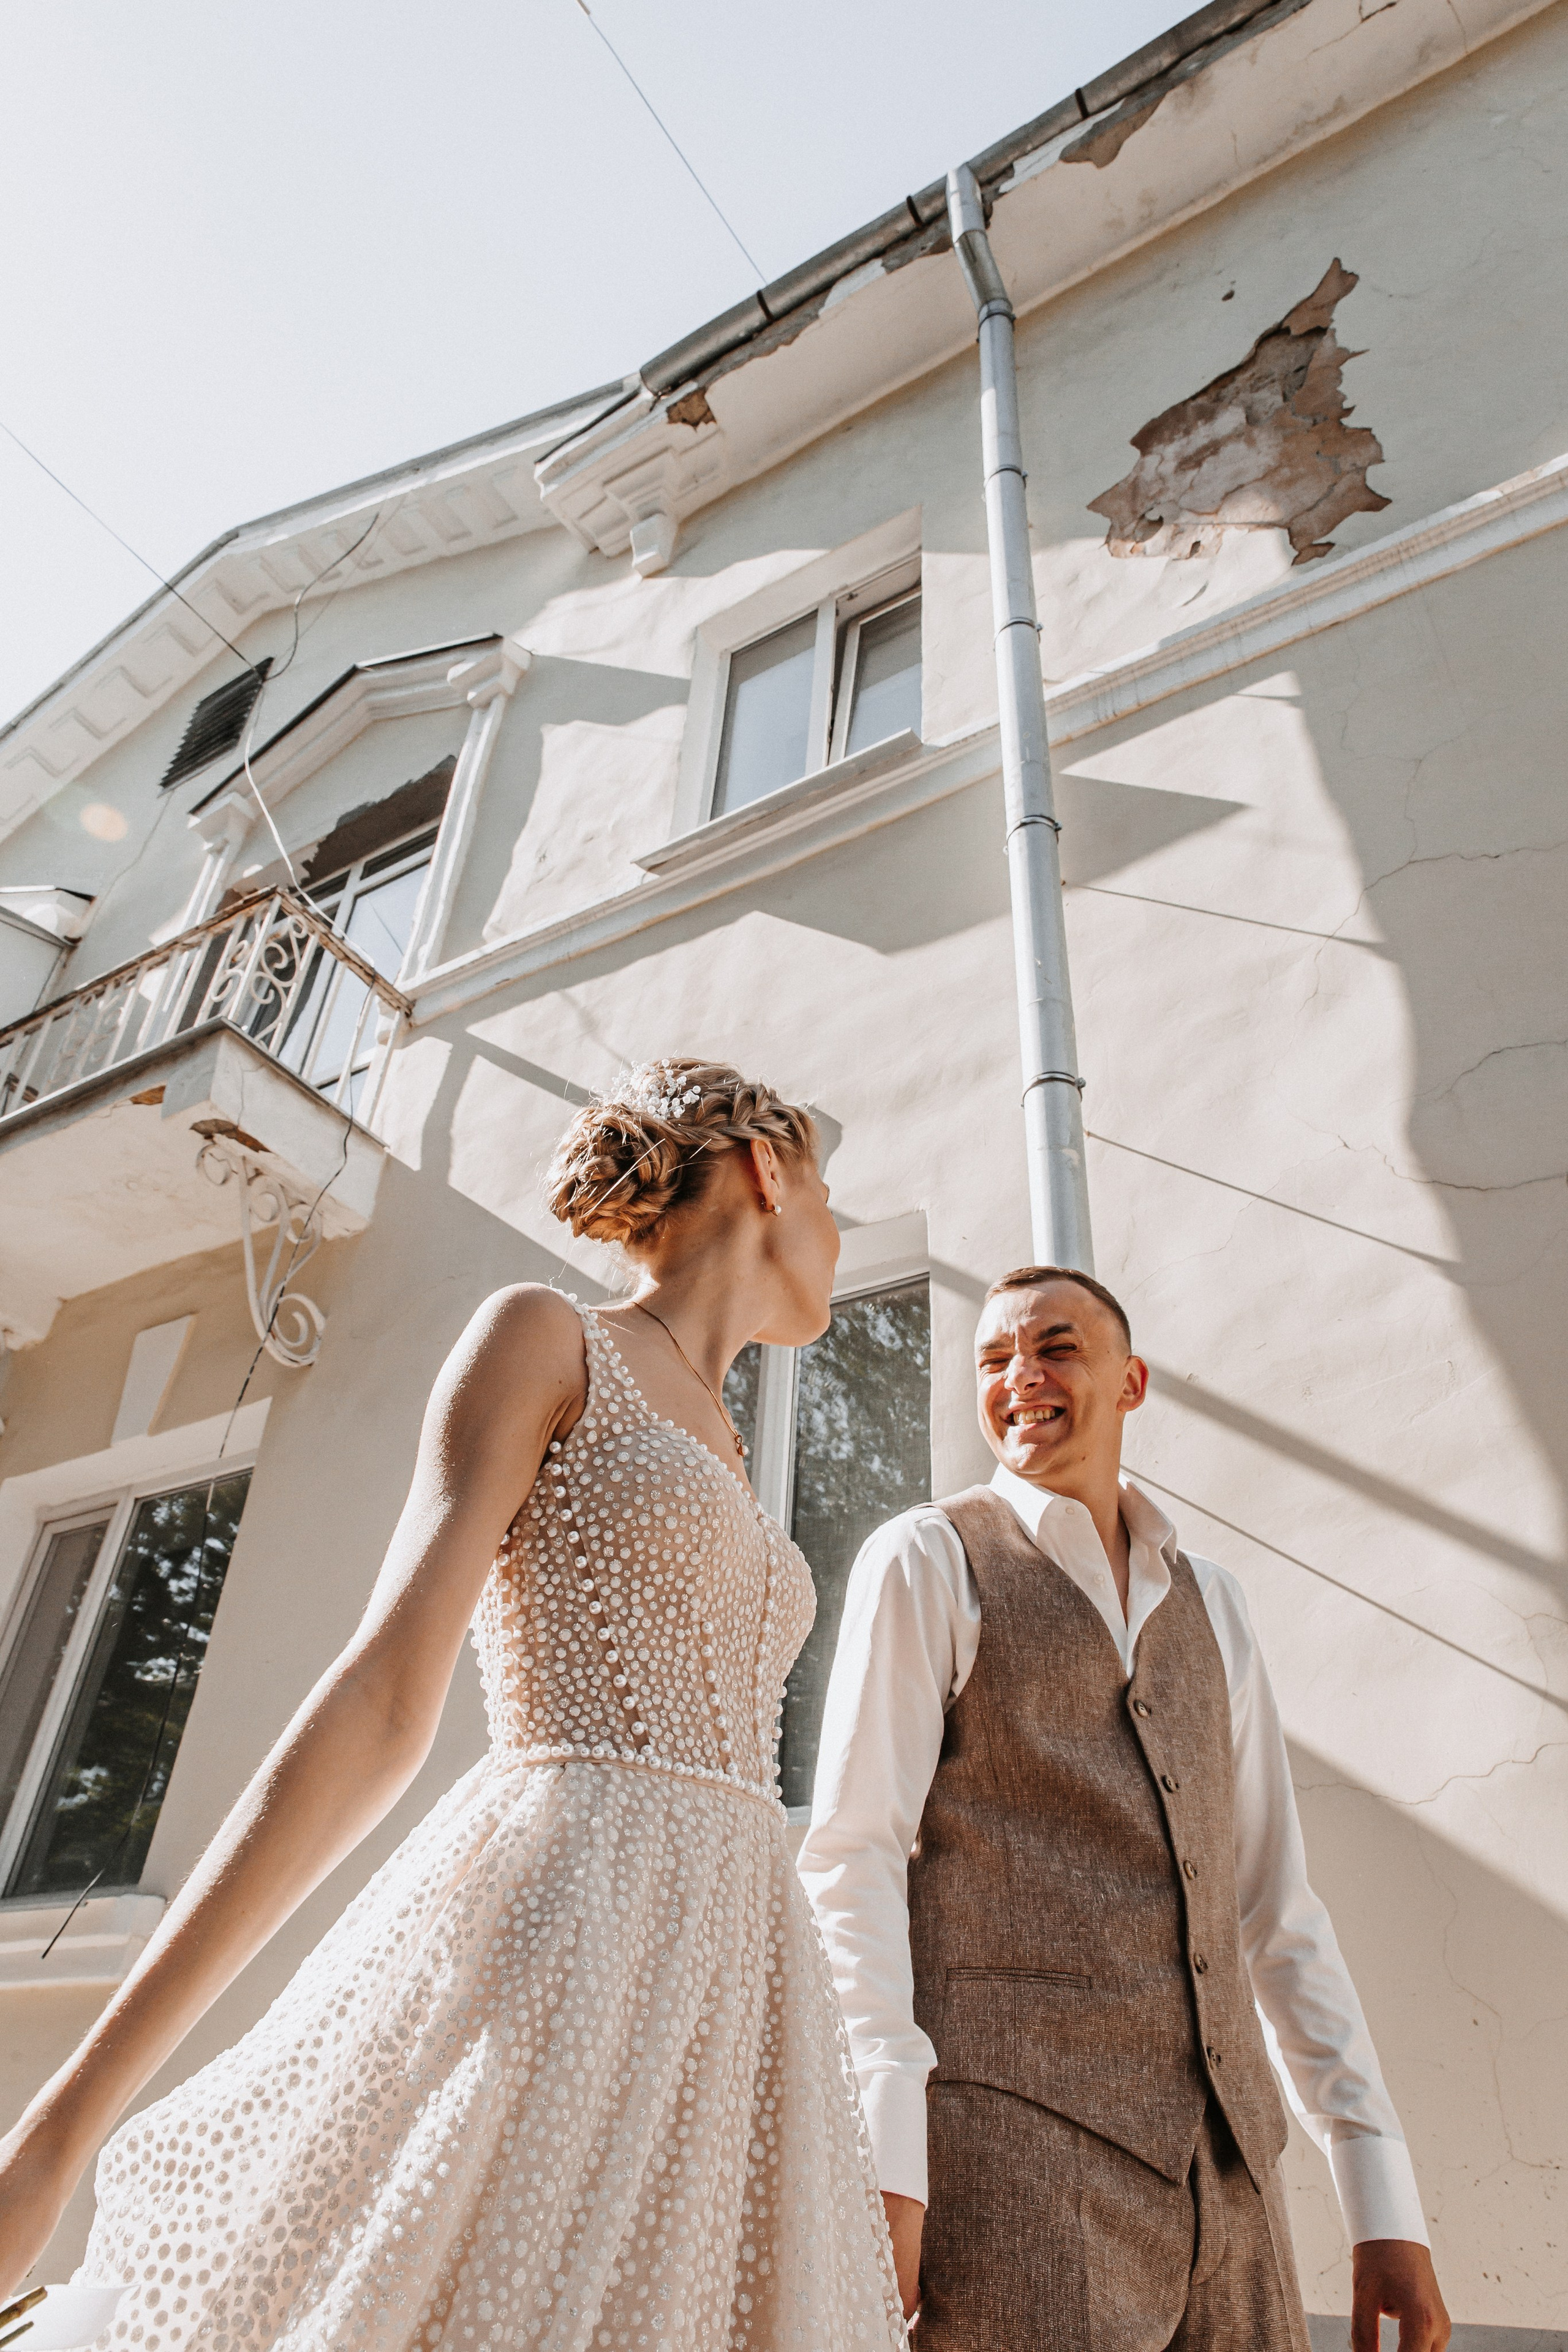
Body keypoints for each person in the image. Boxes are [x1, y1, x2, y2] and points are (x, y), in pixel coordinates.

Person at [0, 1060, 906, 2352]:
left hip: (737, 1993)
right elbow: (382, 1698)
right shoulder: (548, 1336)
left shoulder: (727, 1435)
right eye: (830, 1193)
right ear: (769, 1169)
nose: (839, 1232)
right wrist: (56, 2135)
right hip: (564, 1938)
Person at [799, 1263, 1451, 2352]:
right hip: (1014, 2158)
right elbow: (852, 1858)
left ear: (1131, 1383)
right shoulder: (928, 1559)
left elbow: (1273, 1911)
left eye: (1055, 1348)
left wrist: (1381, 2195)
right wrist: (886, 2163)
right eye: (994, 1359)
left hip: (1229, 2176)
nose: (1020, 1376)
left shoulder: (1215, 1603)